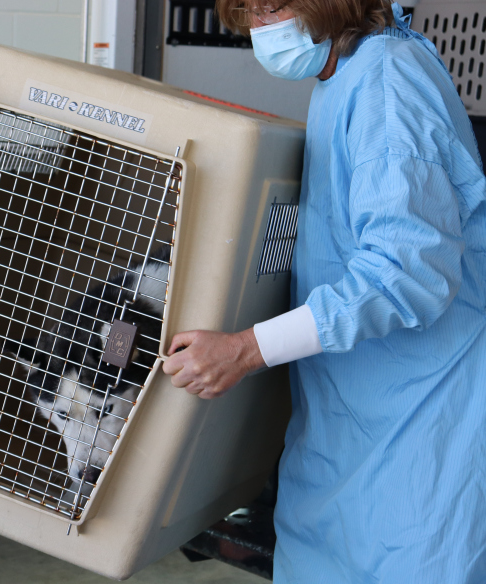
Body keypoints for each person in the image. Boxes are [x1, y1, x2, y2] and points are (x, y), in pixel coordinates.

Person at [162, 1, 486, 582]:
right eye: (249, 12)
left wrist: (246, 348)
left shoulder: (389, 82)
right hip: (349, 414)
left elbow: (407, 271)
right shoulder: (343, 76)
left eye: (274, 7)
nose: (262, 29)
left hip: (422, 418)